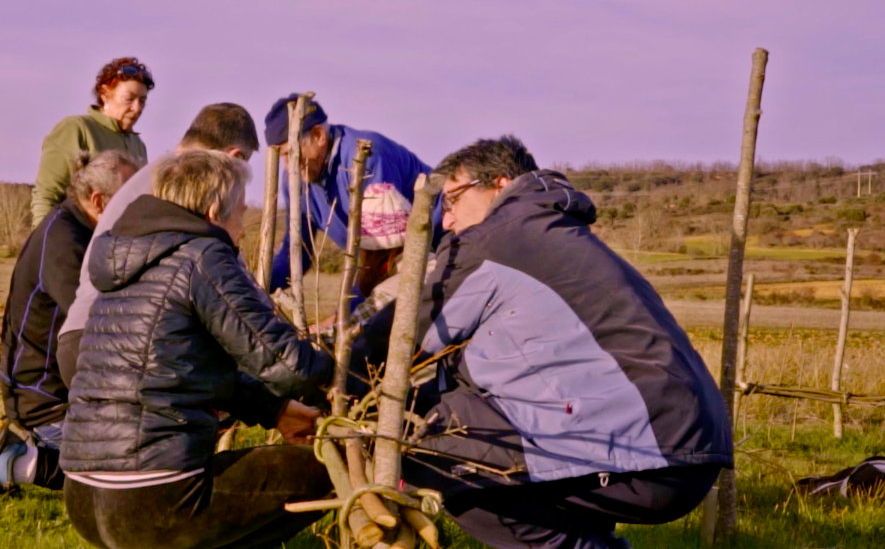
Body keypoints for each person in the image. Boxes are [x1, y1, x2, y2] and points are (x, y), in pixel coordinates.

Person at [400, 135, 731, 549]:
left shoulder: (498, 239)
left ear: (499, 185)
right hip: (680, 443)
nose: (444, 221)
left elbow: (399, 340)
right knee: (461, 433)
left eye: (451, 200)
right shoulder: (553, 237)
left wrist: (327, 375)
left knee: (444, 457)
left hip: (650, 446)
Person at [62, 150, 334, 549]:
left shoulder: (127, 259)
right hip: (153, 497)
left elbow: (181, 370)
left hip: (84, 497)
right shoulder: (204, 255)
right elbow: (285, 363)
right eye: (241, 212)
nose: (242, 227)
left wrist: (273, 410)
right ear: (213, 211)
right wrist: (348, 376)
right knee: (327, 471)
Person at [0, 150, 141, 500]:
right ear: (99, 201)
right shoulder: (66, 243)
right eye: (131, 199)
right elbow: (106, 325)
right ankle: (24, 461)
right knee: (141, 476)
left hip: (62, 390)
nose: (139, 209)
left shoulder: (83, 229)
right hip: (48, 402)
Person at [56, 103, 260, 387]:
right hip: (116, 339)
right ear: (234, 156)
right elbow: (214, 276)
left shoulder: (158, 175)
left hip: (89, 334)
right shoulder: (186, 184)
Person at [263, 93, 433, 297]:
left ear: (319, 136)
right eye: (281, 156)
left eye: (289, 153)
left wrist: (343, 321)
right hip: (382, 264)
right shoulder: (295, 177)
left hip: (437, 248)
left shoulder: (366, 158)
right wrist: (252, 290)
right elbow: (296, 253)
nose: (287, 165)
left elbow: (382, 255)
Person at [30, 57, 153, 226]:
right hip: (76, 241)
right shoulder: (75, 129)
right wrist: (43, 244)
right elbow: (46, 195)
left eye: (143, 101)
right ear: (105, 94)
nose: (137, 108)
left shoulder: (138, 145)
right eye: (129, 98)